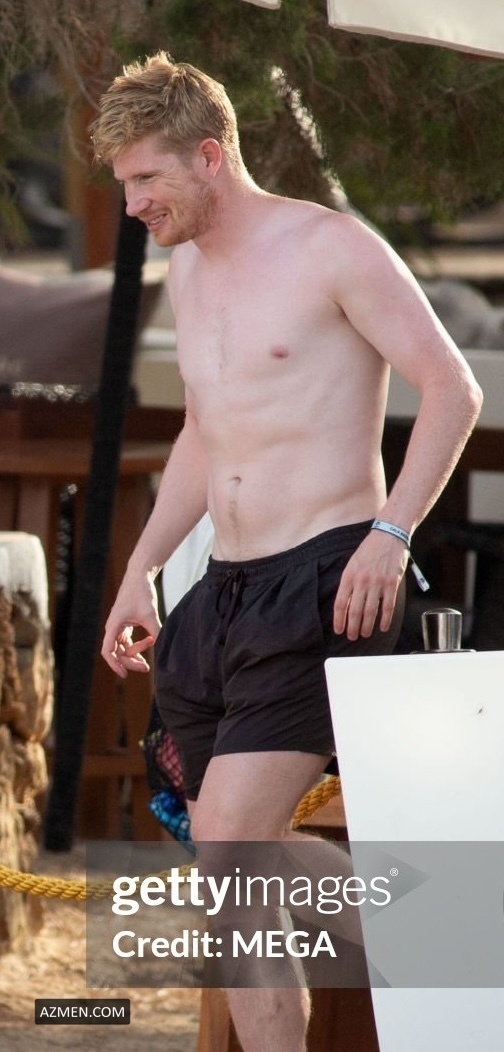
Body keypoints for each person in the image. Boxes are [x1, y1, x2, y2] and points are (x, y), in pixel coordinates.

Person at [92, 52, 482, 1050]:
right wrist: (142, 566)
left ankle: (448, 933)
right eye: (123, 184)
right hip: (222, 590)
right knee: (225, 851)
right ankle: (447, 926)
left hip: (327, 580)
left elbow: (452, 387)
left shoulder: (331, 249)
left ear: (209, 156)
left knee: (231, 847)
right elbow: (204, 431)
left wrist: (391, 533)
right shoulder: (187, 268)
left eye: (148, 178)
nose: (133, 205)